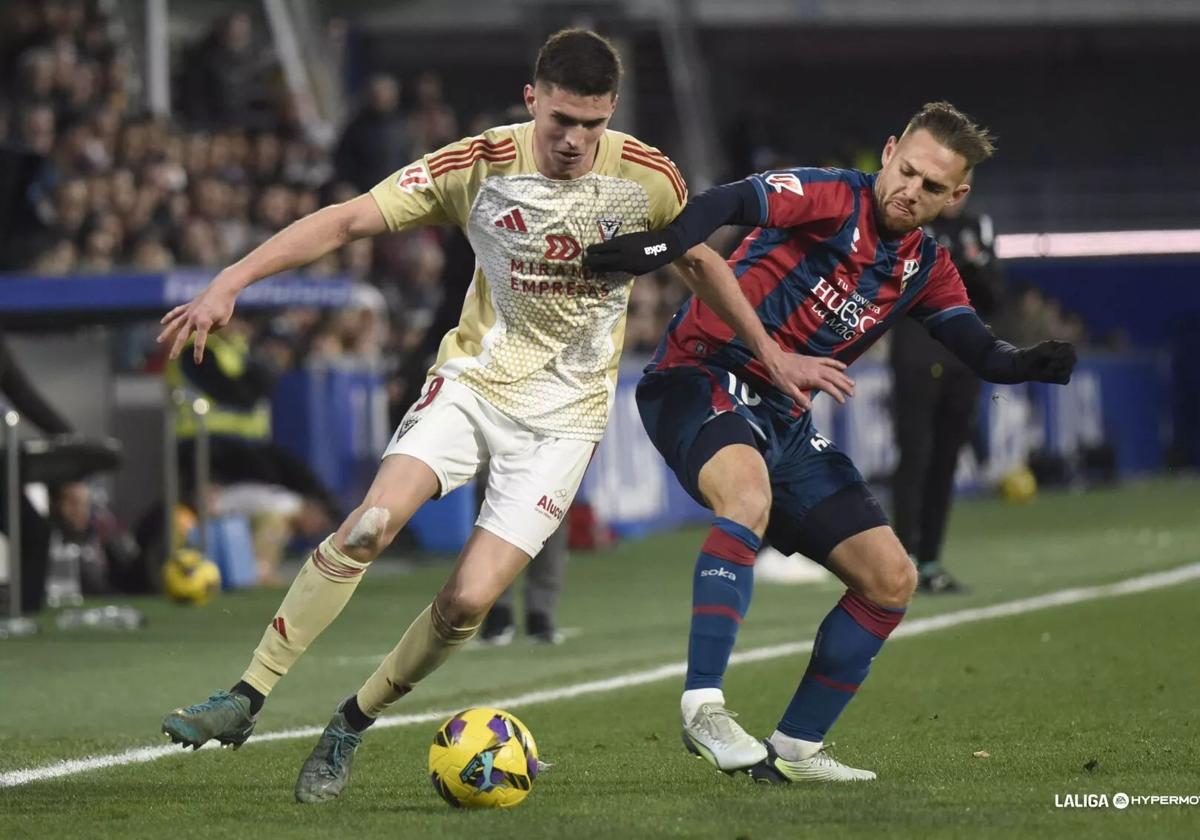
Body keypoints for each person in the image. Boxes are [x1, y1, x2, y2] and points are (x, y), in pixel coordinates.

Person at [156, 29, 817, 803]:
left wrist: (772, 353)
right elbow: (346, 222)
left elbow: (700, 260)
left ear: (611, 116)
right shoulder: (475, 164)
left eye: (593, 125)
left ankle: (349, 724)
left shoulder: (647, 177)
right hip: (473, 383)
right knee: (371, 523)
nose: (575, 141)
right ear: (531, 98)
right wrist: (231, 280)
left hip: (564, 420)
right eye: (561, 120)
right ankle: (247, 695)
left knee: (468, 601)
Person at [584, 101, 1077, 782]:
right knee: (746, 497)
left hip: (782, 421)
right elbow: (725, 200)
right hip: (700, 376)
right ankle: (703, 706)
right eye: (905, 171)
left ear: (956, 196)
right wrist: (662, 247)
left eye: (932, 187)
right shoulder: (831, 195)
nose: (910, 190)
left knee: (892, 579)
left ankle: (794, 750)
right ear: (889, 149)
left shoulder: (924, 267)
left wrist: (1024, 364)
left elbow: (977, 348)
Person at [889, 172, 1005, 593]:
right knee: (915, 458)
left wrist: (975, 267)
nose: (957, 193)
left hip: (961, 358)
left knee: (944, 462)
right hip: (918, 356)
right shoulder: (913, 224)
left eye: (965, 184)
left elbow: (993, 293)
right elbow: (908, 285)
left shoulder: (979, 227)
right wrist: (964, 266)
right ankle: (901, 565)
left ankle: (931, 561)